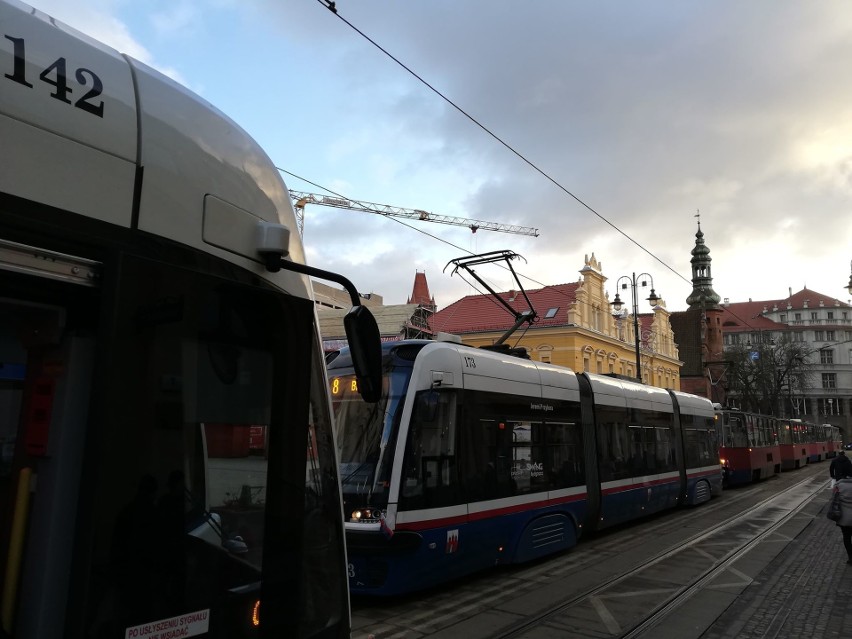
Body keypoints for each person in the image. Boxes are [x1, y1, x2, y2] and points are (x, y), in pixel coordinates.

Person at [835, 476, 852, 565]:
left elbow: (834, 498)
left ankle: (850, 557)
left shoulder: (839, 485)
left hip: (844, 518)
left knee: (846, 537)